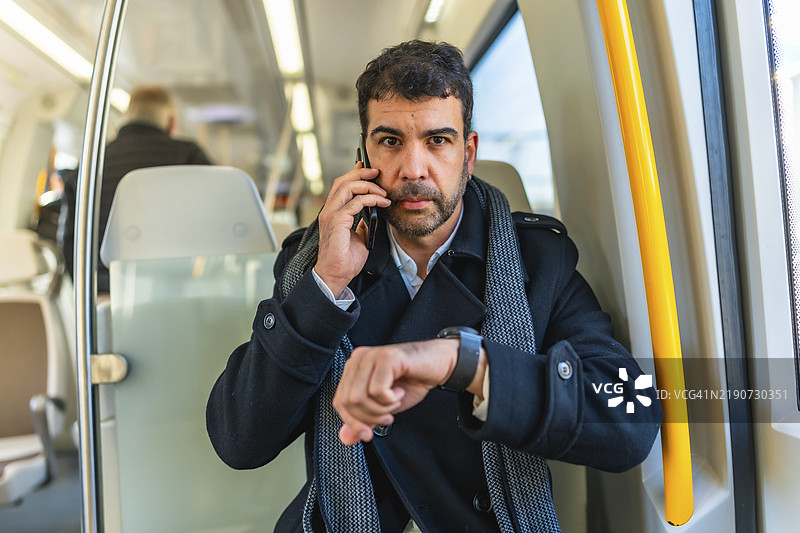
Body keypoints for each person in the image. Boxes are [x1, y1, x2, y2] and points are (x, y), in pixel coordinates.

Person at [206, 40, 662, 533]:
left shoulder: (537, 263)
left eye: (438, 140)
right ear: (364, 155)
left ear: (468, 154)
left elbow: (629, 418)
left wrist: (468, 366)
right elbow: (240, 440)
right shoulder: (314, 262)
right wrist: (327, 285)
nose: (414, 169)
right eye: (390, 141)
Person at [58, 84, 211, 291]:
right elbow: (213, 222)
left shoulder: (87, 165)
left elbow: (69, 241)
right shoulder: (188, 156)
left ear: (127, 117)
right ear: (171, 122)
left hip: (101, 294)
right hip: (169, 290)